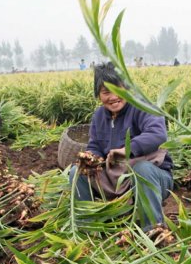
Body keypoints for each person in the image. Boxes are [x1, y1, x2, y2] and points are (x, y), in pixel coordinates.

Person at [68, 62, 173, 230]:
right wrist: (91, 157)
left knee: (142, 169)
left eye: (119, 89)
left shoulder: (142, 107)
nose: (113, 96)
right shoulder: (99, 116)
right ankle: (88, 229)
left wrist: (127, 150)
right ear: (98, 95)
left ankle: (153, 230)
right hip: (114, 177)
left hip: (153, 177)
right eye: (106, 92)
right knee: (77, 172)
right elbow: (95, 144)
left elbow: (157, 134)